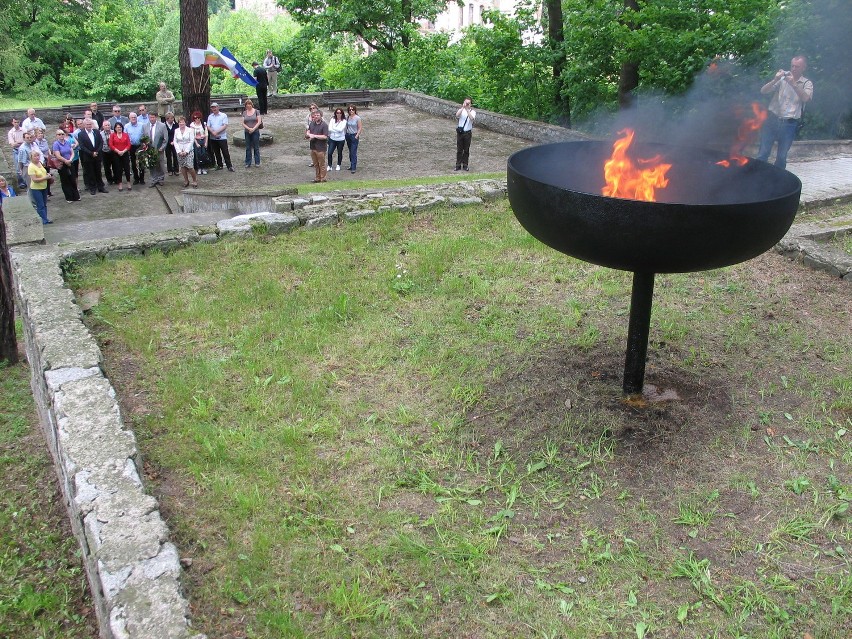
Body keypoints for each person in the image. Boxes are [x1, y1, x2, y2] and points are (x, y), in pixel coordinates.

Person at [756, 55, 814, 170]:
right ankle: (757, 176)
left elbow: (806, 98)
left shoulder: (807, 83)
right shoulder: (782, 80)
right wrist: (775, 79)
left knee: (782, 156)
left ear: (804, 68)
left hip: (789, 123)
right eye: (792, 65)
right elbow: (763, 91)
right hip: (772, 119)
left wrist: (793, 84)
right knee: (763, 153)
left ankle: (778, 182)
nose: (793, 68)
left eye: (797, 66)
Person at [78, 118, 109, 195]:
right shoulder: (81, 134)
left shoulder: (96, 132)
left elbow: (101, 142)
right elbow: (82, 146)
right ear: (84, 125)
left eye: (90, 124)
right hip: (88, 156)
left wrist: (97, 152)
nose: (89, 126)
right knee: (90, 173)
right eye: (87, 124)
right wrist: (91, 153)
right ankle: (93, 188)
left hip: (97, 155)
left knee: (98, 172)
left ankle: (101, 187)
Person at [52, 129, 80, 202]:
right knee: (65, 181)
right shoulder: (56, 144)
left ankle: (76, 196)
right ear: (56, 136)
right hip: (62, 164)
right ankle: (69, 197)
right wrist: (65, 161)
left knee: (72, 179)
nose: (61, 135)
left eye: (62, 134)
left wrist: (70, 159)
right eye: (59, 134)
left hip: (70, 162)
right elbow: (57, 155)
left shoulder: (67, 142)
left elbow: (72, 152)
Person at [206, 103, 234, 171]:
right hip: (213, 137)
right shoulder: (210, 116)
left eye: (215, 107)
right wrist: (213, 132)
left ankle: (229, 166)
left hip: (222, 137)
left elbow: (225, 125)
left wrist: (216, 132)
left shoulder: (223, 115)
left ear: (218, 107)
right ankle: (219, 164)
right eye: (212, 108)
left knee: (225, 152)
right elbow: (208, 126)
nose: (214, 109)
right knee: (216, 152)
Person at [173, 116, 198, 188]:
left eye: (182, 122)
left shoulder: (190, 130)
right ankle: (186, 180)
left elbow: (191, 141)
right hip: (180, 151)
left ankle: (194, 180)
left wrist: (186, 151)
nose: (181, 124)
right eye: (180, 122)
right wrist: (178, 151)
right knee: (182, 166)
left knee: (190, 166)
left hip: (188, 151)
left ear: (185, 122)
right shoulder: (176, 130)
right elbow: (175, 141)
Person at [125, 112, 149, 184]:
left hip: (140, 146)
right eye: (132, 117)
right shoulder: (126, 126)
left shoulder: (142, 125)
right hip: (131, 147)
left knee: (142, 162)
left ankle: (142, 178)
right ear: (129, 118)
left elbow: (145, 135)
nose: (133, 119)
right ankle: (136, 178)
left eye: (135, 117)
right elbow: (125, 137)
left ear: (137, 118)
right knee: (133, 163)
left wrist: (145, 144)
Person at [27, 150, 50, 224]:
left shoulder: (40, 163)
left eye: (38, 155)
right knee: (40, 205)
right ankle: (43, 220)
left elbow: (43, 173)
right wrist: (45, 178)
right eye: (35, 156)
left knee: (44, 204)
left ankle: (45, 218)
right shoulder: (31, 167)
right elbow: (34, 179)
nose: (37, 157)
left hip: (44, 186)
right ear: (31, 158)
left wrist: (48, 175)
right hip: (36, 188)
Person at [306, 109, 328, 183]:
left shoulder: (324, 125)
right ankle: (317, 177)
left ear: (321, 116)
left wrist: (314, 136)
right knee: (316, 164)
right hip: (313, 147)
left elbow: (325, 136)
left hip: (321, 148)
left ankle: (323, 178)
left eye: (318, 115)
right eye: (315, 115)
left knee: (321, 164)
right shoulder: (312, 123)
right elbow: (308, 132)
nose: (316, 116)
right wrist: (308, 135)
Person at [109, 122, 132, 191]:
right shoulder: (112, 135)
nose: (119, 129)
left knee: (127, 169)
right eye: (117, 127)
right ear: (115, 128)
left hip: (124, 154)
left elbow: (129, 144)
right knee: (118, 169)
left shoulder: (126, 135)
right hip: (116, 154)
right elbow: (111, 145)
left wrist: (123, 151)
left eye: (120, 127)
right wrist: (118, 151)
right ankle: (120, 183)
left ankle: (128, 182)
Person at [455, 97, 476, 171]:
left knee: (466, 150)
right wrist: (463, 108)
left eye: (468, 103)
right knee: (459, 150)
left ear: (471, 104)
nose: (467, 104)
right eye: (466, 103)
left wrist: (467, 110)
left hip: (467, 133)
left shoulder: (472, 111)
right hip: (460, 132)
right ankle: (458, 165)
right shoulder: (461, 110)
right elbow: (457, 115)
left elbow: (472, 119)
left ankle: (465, 165)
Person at [147, 112, 168, 187]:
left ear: (156, 117)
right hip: (149, 150)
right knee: (151, 164)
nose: (152, 119)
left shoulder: (162, 126)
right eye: (150, 117)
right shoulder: (145, 126)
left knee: (160, 164)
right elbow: (144, 137)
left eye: (153, 117)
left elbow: (165, 138)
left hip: (159, 149)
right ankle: (154, 179)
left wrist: (162, 147)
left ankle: (161, 179)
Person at [242, 99, 263, 168]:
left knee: (256, 147)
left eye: (249, 104)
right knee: (248, 147)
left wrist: (253, 129)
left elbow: (259, 121)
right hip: (247, 132)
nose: (248, 106)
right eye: (247, 105)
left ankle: (257, 162)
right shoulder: (244, 113)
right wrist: (249, 129)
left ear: (251, 105)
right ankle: (248, 162)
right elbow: (242, 123)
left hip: (255, 131)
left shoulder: (256, 111)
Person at [7, 118, 26, 189]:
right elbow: (13, 145)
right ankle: (21, 182)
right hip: (16, 151)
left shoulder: (23, 130)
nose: (16, 124)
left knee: (26, 165)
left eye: (17, 122)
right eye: (15, 122)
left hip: (24, 150)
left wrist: (18, 142)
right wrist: (21, 142)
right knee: (18, 168)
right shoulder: (11, 132)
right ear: (12, 122)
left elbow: (27, 140)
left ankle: (26, 180)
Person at [189, 111, 209, 175]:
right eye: (195, 118)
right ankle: (199, 168)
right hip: (196, 141)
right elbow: (192, 135)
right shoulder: (192, 125)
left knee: (204, 154)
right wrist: (196, 143)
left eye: (198, 118)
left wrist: (206, 142)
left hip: (203, 140)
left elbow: (206, 134)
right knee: (198, 155)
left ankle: (204, 167)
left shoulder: (203, 124)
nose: (197, 119)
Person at [345, 105, 362, 173]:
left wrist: (357, 135)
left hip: (354, 135)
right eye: (350, 110)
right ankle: (351, 165)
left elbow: (360, 127)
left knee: (353, 151)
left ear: (355, 110)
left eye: (352, 109)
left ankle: (353, 167)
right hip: (348, 135)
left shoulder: (357, 118)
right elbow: (346, 126)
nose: (351, 111)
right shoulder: (348, 117)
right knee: (350, 151)